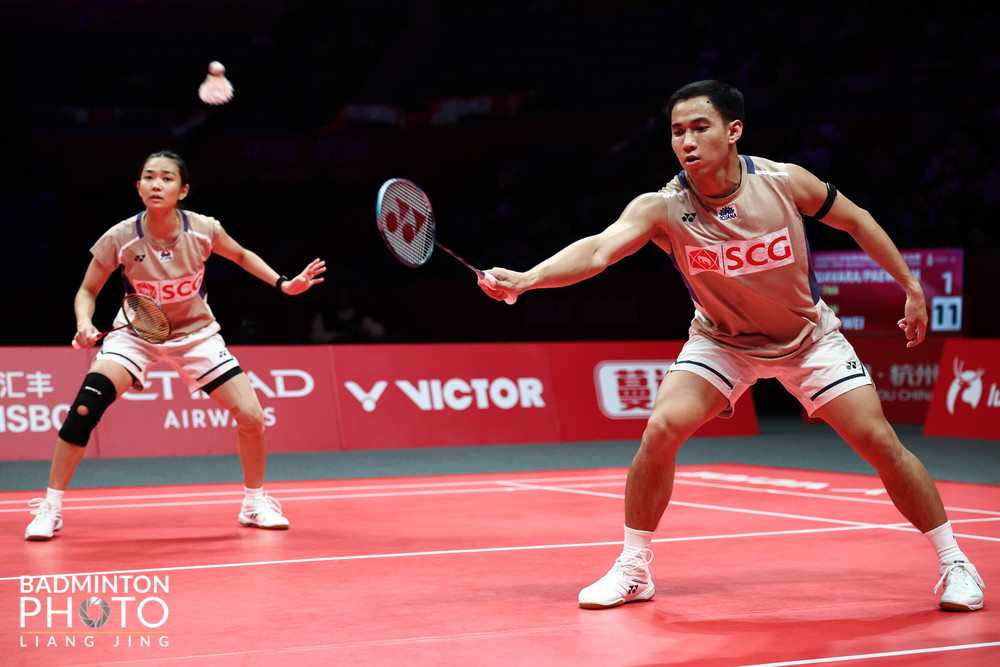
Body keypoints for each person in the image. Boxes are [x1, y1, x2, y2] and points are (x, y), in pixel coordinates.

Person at [479, 81, 984, 612]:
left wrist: (910, 287)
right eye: (677, 131)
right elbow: (599, 250)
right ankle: (633, 568)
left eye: (700, 128)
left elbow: (855, 219)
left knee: (880, 442)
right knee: (661, 429)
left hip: (808, 339)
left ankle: (955, 562)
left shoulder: (784, 182)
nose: (687, 141)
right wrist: (527, 279)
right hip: (721, 341)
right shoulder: (663, 207)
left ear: (733, 130)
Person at [25, 151, 326, 540]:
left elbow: (240, 255)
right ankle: (50, 507)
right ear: (139, 187)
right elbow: (87, 290)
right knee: (84, 408)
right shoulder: (120, 237)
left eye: (167, 178)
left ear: (182, 190)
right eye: (149, 177)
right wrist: (84, 323)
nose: (157, 184)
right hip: (136, 335)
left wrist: (283, 284)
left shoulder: (203, 229)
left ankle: (254, 504)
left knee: (252, 417)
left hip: (196, 335)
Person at [308, 286, 385, 344]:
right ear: (336, 297)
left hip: (355, 352)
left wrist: (366, 330)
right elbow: (314, 337)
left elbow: (380, 330)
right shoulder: (324, 315)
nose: (343, 299)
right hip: (331, 352)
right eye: (340, 296)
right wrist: (337, 335)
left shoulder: (359, 315)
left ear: (351, 297)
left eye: (345, 296)